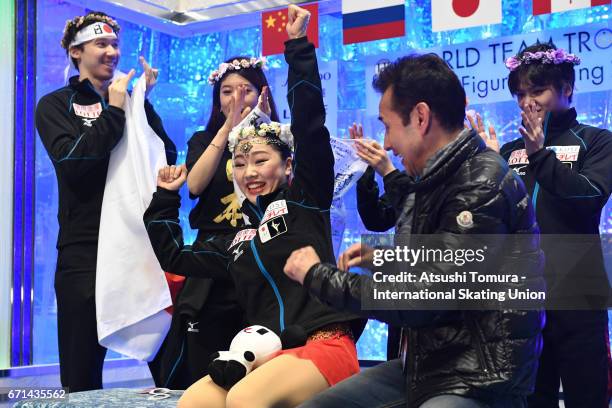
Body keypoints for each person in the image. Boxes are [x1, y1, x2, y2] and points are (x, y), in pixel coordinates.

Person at [283, 53, 545, 408]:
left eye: (388, 126)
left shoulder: (481, 182)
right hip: (428, 364)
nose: (387, 144)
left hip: (478, 376)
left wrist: (318, 276)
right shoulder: (435, 177)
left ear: (420, 117)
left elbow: (430, 294)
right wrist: (388, 257)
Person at [144, 5, 364, 407]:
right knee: (194, 402)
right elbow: (174, 254)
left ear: (287, 165)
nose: (249, 173)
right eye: (241, 164)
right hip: (264, 353)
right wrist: (164, 197)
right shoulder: (236, 240)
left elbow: (310, 125)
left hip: (323, 343)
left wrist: (297, 47)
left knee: (245, 399)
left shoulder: (305, 202)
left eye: (261, 161)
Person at [34, 11, 177, 392]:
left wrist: (141, 104)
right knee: (81, 376)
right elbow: (73, 165)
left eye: (115, 44)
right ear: (76, 52)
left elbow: (165, 156)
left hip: (137, 246)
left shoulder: (129, 101)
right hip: (85, 252)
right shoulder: (54, 105)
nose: (112, 52)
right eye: (102, 44)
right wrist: (114, 111)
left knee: (167, 357)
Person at [469, 42, 612, 408]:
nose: (527, 102)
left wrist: (540, 156)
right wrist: (488, 169)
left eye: (538, 91)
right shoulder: (509, 150)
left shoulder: (597, 142)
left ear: (566, 89)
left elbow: (589, 196)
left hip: (579, 300)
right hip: (522, 306)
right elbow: (491, 221)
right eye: (520, 94)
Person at [149, 40, 281, 390]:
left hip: (259, 255)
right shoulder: (203, 138)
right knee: (203, 350)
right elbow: (193, 185)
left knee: (259, 354)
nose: (236, 98)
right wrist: (227, 129)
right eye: (227, 91)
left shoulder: (280, 139)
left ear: (261, 93)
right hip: (213, 254)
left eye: (246, 90)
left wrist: (265, 128)